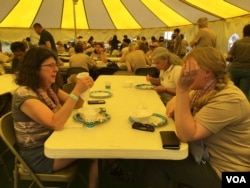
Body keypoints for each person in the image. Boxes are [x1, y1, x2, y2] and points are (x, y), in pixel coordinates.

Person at [144, 47, 250, 188]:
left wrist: (181, 90)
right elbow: (170, 107)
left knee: (158, 159)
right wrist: (180, 100)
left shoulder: (230, 99)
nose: (184, 73)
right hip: (207, 160)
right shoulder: (203, 90)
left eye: (190, 69)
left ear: (207, 72)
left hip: (231, 175)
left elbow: (187, 134)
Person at [12, 47, 98, 188]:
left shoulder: (49, 88)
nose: (56, 69)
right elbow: (55, 123)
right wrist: (76, 90)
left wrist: (81, 87)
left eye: (56, 65)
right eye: (50, 66)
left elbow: (78, 105)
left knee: (94, 138)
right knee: (95, 150)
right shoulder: (24, 95)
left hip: (55, 140)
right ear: (34, 68)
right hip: (41, 154)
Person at [226, 24, 250, 101]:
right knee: (243, 93)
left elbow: (229, 57)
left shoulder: (237, 43)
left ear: (243, 32)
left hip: (235, 69)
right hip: (247, 71)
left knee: (233, 91)